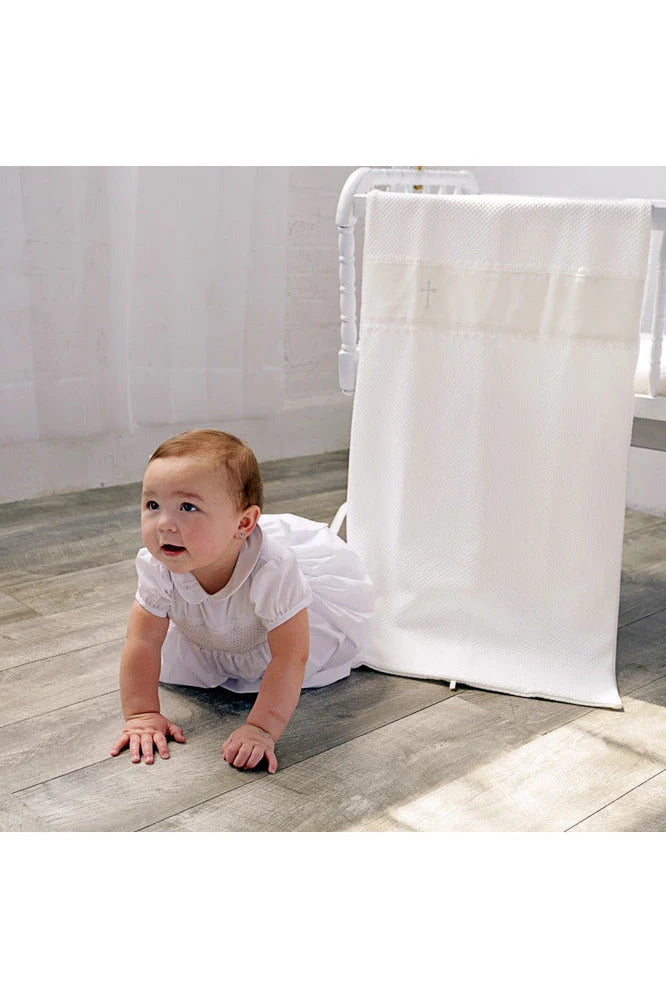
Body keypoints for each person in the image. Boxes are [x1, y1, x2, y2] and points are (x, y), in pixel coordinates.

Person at [110, 428, 374, 774]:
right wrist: (141, 714)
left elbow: (290, 655)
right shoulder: (158, 566)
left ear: (245, 522)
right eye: (152, 505)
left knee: (291, 656)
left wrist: (262, 729)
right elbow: (143, 641)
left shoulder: (272, 571)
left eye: (187, 507)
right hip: (211, 633)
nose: (164, 524)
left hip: (274, 641)